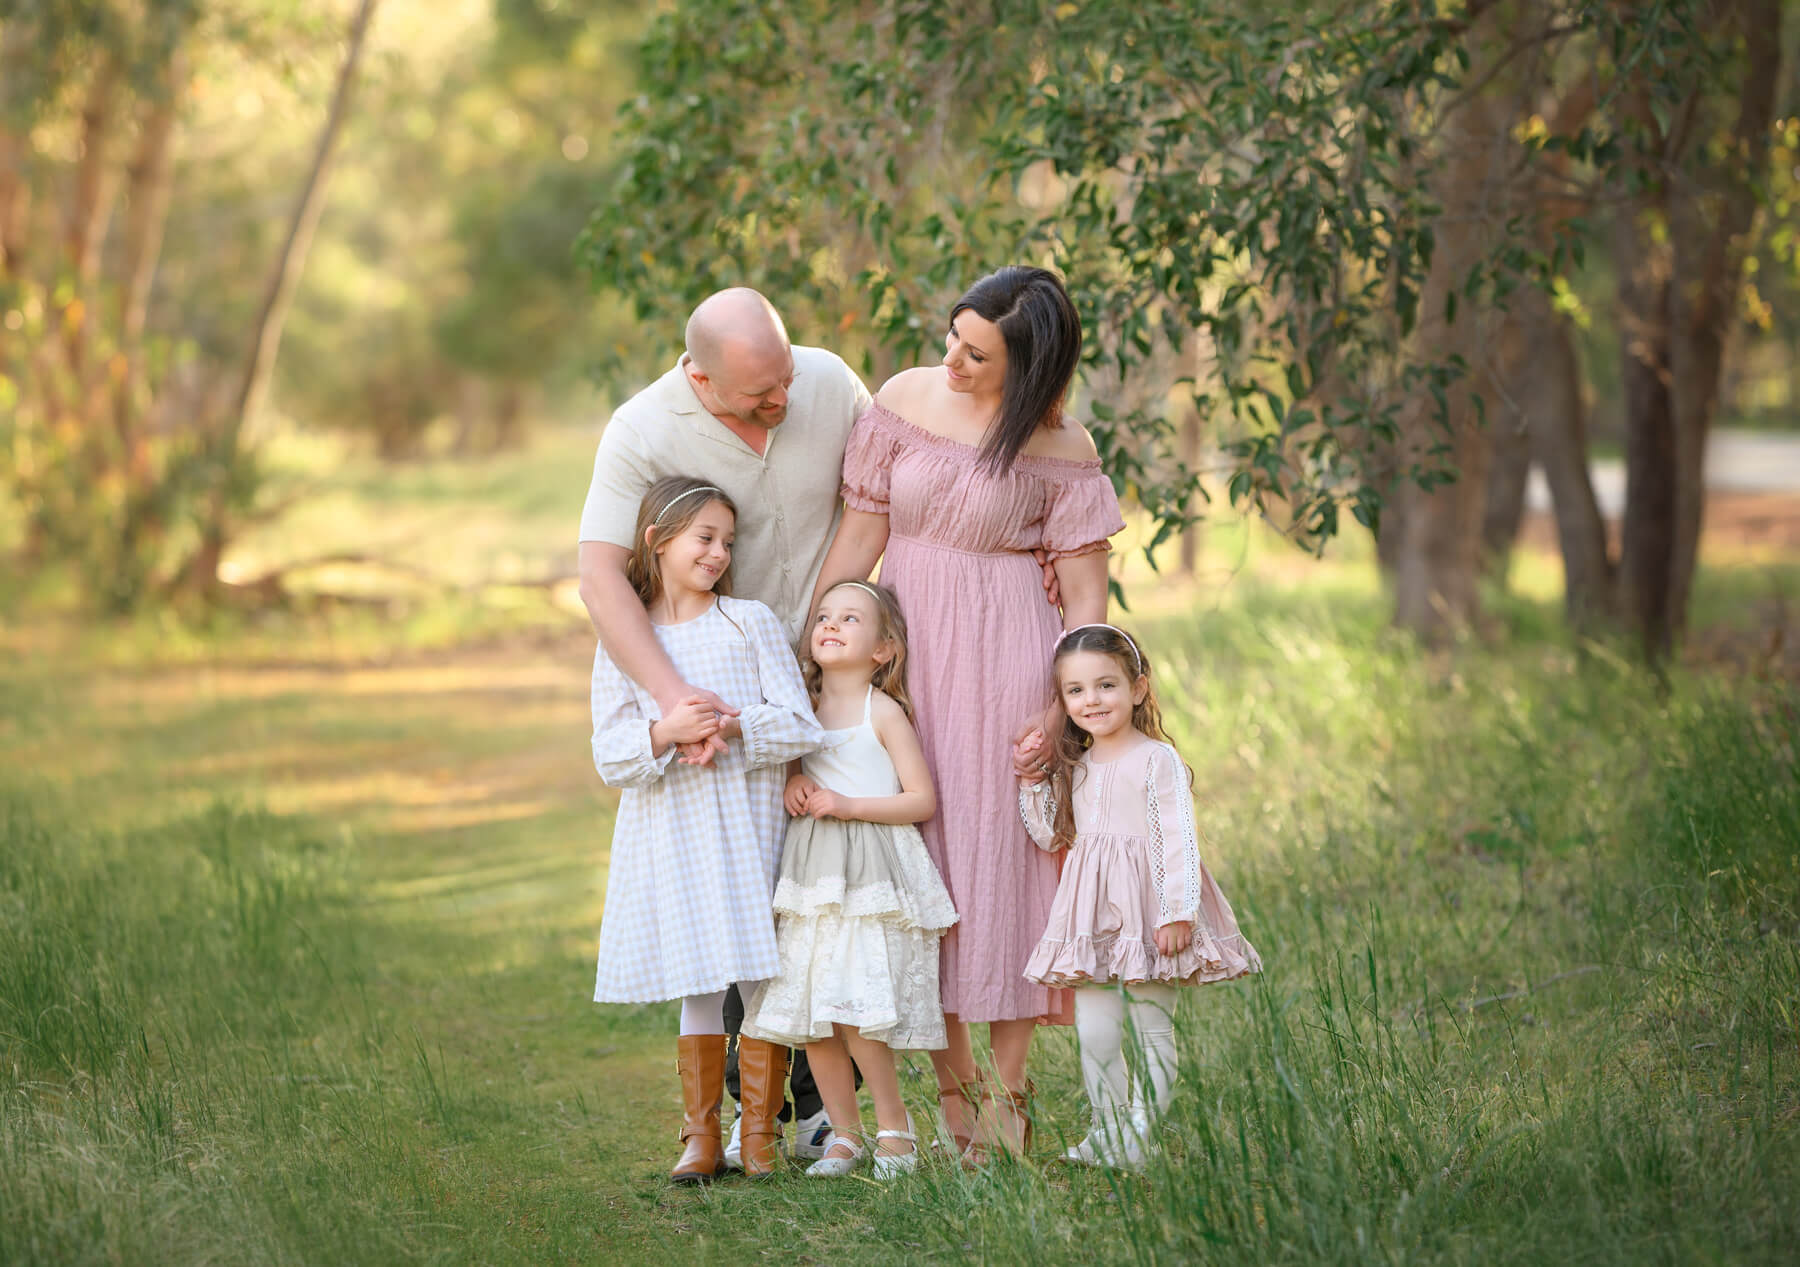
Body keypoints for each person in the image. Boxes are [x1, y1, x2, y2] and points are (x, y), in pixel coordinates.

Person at [810, 265, 1125, 1159]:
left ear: (1025, 368)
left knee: (1001, 876)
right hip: (909, 667)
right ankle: (956, 1108)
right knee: (930, 870)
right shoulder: (907, 400)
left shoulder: (1063, 450)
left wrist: (1058, 709)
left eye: (976, 352)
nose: (951, 357)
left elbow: (1088, 604)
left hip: (1009, 673)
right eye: (952, 335)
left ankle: (1008, 1101)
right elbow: (858, 543)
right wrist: (817, 649)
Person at [577, 289, 870, 1165]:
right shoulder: (640, 429)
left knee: (815, 896)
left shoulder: (826, 380)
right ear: (698, 377)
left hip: (821, 668)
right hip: (705, 686)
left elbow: (879, 497)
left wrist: (836, 623)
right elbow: (600, 579)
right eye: (757, 395)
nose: (782, 401)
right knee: (733, 920)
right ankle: (740, 1125)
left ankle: (821, 1108)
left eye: (784, 379)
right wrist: (678, 706)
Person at [587, 476, 823, 1183]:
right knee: (698, 979)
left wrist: (731, 722)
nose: (719, 552)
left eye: (728, 540)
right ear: (656, 540)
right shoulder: (627, 639)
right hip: (676, 831)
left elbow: (798, 722)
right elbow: (610, 752)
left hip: (748, 825)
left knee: (761, 976)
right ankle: (699, 1136)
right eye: (704, 538)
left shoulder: (748, 623)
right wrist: (666, 729)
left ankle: (759, 1135)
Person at [1018, 623, 1261, 1169]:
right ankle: (1108, 1129)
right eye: (1075, 690)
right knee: (1095, 1030)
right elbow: (1049, 835)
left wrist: (1178, 911)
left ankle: (1139, 1133)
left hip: (1151, 909)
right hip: (1094, 912)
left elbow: (1175, 837)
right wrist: (1030, 782)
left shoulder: (1156, 760)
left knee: (1152, 1024)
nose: (1091, 700)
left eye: (1106, 685)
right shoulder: (1076, 764)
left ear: (1139, 687)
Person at [739, 580, 957, 1179]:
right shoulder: (799, 712)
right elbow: (793, 773)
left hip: (868, 875)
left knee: (855, 1007)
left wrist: (846, 803)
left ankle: (896, 1131)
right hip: (811, 876)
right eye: (825, 616)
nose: (831, 625)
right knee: (813, 1012)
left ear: (883, 649)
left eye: (851, 618)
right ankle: (845, 1134)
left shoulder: (880, 712)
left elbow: (921, 800)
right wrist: (794, 784)